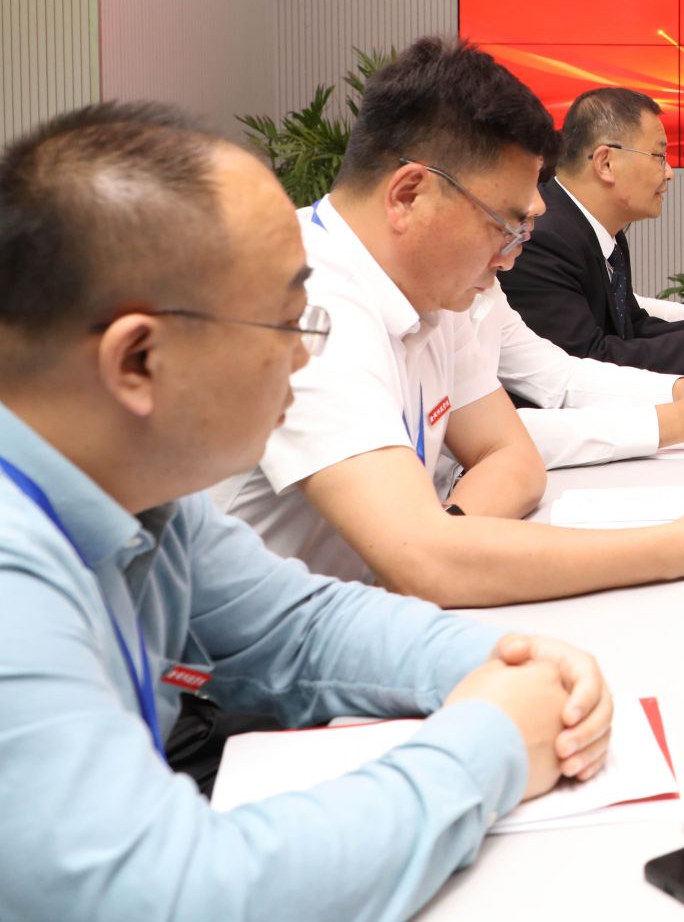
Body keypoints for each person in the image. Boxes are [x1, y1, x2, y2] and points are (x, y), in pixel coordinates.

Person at [0, 101, 616, 921]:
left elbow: (300, 626)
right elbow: (172, 892)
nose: (302, 355)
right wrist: (491, 743)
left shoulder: (147, 493)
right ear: (137, 360)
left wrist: (508, 661)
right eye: (286, 321)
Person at [217, 39, 684, 605]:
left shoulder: (433, 291)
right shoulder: (307, 301)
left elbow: (514, 460)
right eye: (506, 226)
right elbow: (426, 564)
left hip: (363, 611)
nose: (511, 257)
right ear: (409, 195)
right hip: (249, 649)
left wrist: (446, 538)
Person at [499, 86, 684, 376]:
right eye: (659, 155)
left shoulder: (604, 232)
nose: (669, 172)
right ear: (606, 163)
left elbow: (631, 328)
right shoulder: (542, 239)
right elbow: (584, 363)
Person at [471, 279, 684, 468]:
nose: (539, 207)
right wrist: (679, 419)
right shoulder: (470, 281)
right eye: (513, 223)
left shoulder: (480, 287)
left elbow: (560, 376)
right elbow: (492, 437)